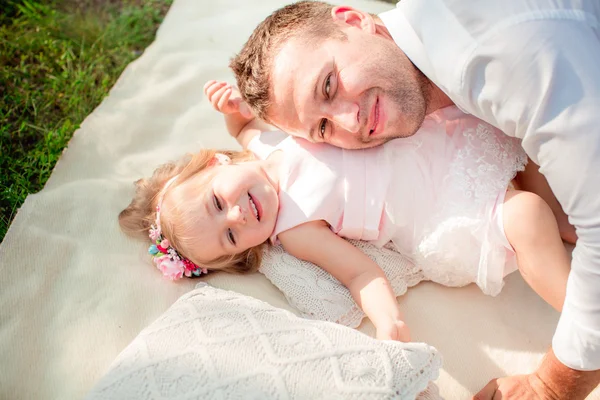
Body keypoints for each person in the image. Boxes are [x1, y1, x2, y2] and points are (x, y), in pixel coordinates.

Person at [229, 1, 600, 398]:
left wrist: (550, 387)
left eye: (329, 85)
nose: (349, 121)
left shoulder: (502, 60)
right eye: (322, 128)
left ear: (353, 20)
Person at [119, 78, 572, 350]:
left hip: (455, 142)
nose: (237, 216)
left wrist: (231, 111)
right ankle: (582, 322)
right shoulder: (294, 230)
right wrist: (386, 321)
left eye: (218, 203)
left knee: (545, 173)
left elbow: (243, 126)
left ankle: (572, 230)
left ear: (217, 163)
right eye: (231, 237)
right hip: (448, 202)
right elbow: (360, 275)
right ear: (245, 252)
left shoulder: (262, 141)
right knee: (530, 217)